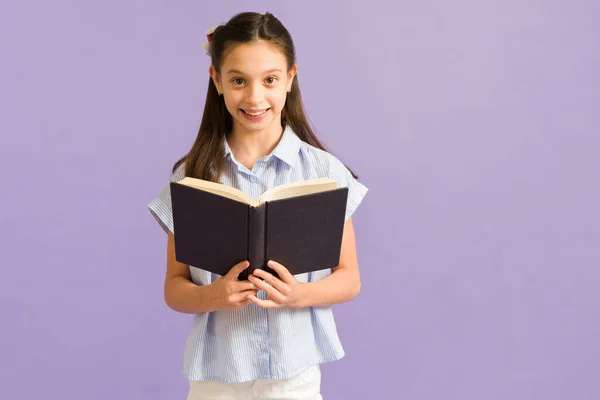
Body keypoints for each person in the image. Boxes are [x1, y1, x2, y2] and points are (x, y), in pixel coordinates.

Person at [147, 11, 369, 400]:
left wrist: (299, 295)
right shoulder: (193, 175)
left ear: (290, 79)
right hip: (217, 374)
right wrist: (212, 296)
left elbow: (349, 277)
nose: (254, 97)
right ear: (216, 81)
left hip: (293, 374)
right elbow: (174, 287)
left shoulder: (323, 170)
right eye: (238, 81)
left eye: (269, 80)